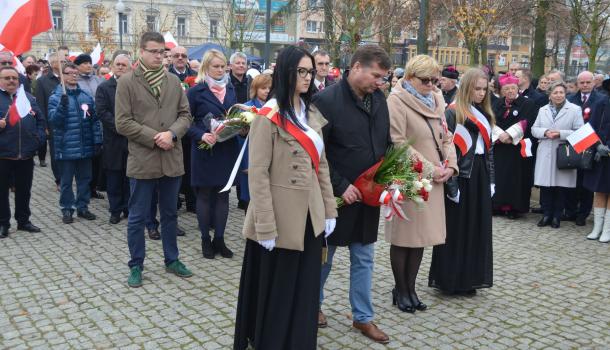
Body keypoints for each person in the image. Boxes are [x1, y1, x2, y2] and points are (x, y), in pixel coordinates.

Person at [233, 45, 337, 350]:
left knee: (305, 289)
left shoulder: (312, 112)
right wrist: (264, 225)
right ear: (286, 74)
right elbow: (258, 173)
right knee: (277, 290)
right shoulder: (269, 115)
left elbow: (323, 166)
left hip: (309, 215)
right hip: (278, 218)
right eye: (301, 71)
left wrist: (329, 210)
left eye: (310, 72)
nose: (307, 78)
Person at [316, 45, 391, 344]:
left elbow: (384, 142)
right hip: (338, 197)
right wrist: (339, 185)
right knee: (324, 258)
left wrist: (391, 178)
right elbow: (317, 152)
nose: (379, 82)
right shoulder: (325, 100)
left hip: (368, 196)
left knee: (365, 258)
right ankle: (312, 306)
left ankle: (363, 317)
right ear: (356, 67)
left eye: (383, 78)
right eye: (376, 75)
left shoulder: (379, 100)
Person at [115, 32, 193, 288]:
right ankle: (136, 264)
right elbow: (122, 122)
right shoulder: (127, 82)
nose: (158, 56)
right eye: (153, 51)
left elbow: (185, 115)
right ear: (141, 51)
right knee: (137, 217)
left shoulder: (173, 82)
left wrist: (171, 133)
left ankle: (172, 259)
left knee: (170, 214)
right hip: (143, 159)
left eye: (162, 52)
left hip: (171, 157)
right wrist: (154, 136)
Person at [385, 54, 457, 315]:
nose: (431, 85)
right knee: (404, 238)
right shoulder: (396, 101)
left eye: (434, 80)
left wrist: (450, 166)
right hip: (408, 177)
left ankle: (411, 288)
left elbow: (446, 136)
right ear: (410, 78)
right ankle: (400, 289)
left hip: (435, 177)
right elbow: (398, 142)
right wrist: (430, 169)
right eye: (425, 81)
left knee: (421, 238)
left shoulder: (437, 98)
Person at [428, 68, 494, 295]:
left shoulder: (485, 115)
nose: (482, 93)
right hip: (461, 176)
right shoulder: (453, 113)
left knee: (476, 228)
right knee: (456, 229)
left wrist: (491, 179)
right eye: (477, 89)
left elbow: (488, 151)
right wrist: (452, 186)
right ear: (466, 88)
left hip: (480, 176)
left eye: (485, 89)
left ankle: (470, 279)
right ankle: (450, 279)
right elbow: (447, 153)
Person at [186, 49, 239, 259]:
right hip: (205, 151)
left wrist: (241, 126)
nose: (219, 70)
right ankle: (205, 240)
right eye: (215, 66)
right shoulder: (195, 91)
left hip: (226, 149)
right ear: (206, 68)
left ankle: (220, 238)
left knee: (224, 195)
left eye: (222, 66)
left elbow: (235, 114)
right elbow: (183, 122)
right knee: (205, 195)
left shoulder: (231, 89)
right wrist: (201, 135)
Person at [47, 63, 102, 224]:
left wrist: (97, 140)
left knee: (85, 179)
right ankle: (67, 209)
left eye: (75, 73)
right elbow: (54, 121)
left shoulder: (85, 96)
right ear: (62, 76)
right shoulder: (56, 97)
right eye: (69, 73)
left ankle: (82, 207)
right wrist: (62, 106)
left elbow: (94, 120)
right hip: (66, 147)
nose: (73, 75)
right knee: (66, 182)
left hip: (85, 146)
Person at [0, 66, 46, 238]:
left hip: (25, 154)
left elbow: (40, 120)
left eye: (14, 78)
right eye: (7, 78)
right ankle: (3, 223)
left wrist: (38, 140)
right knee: (1, 191)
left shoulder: (27, 98)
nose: (11, 80)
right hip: (3, 155)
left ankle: (23, 220)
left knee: (24, 190)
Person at [531, 81, 583, 229]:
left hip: (564, 152)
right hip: (546, 149)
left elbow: (579, 131)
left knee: (560, 187)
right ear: (550, 95)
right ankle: (546, 214)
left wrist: (560, 133)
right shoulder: (543, 110)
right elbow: (534, 129)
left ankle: (557, 216)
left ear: (565, 94)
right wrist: (545, 132)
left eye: (561, 92)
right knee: (546, 187)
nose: (558, 95)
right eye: (555, 93)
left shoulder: (574, 109)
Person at [491, 73, 538, 218]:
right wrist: (500, 135)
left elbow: (526, 121)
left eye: (513, 88)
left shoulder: (528, 103)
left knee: (515, 178)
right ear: (502, 90)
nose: (510, 91)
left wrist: (510, 135)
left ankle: (514, 208)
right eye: (507, 88)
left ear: (517, 88)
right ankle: (497, 205)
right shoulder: (497, 103)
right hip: (500, 147)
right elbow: (490, 120)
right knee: (499, 176)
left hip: (518, 147)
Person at [96, 54, 131, 224]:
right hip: (113, 140)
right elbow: (102, 112)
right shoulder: (104, 88)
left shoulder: (135, 86)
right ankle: (115, 210)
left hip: (132, 140)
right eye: (118, 64)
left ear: (130, 67)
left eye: (124, 65)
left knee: (129, 176)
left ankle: (128, 208)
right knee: (114, 177)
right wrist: (121, 127)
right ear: (112, 67)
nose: (121, 67)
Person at [564, 71, 603, 225]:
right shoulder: (570, 99)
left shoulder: (602, 100)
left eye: (588, 82)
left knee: (586, 182)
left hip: (591, 145)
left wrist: (599, 144)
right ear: (578, 83)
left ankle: (583, 214)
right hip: (573, 144)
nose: (585, 85)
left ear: (593, 83)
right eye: (582, 82)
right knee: (571, 179)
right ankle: (570, 211)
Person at [168, 46, 198, 213]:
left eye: (183, 56)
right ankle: (175, 201)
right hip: (173, 128)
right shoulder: (166, 76)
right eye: (177, 55)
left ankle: (192, 201)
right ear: (171, 58)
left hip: (192, 129)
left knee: (190, 166)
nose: (180, 58)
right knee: (175, 168)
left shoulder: (195, 77)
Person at [238, 73, 272, 212]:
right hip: (252, 161)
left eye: (270, 88)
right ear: (255, 89)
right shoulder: (246, 108)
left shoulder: (275, 107)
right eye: (263, 88)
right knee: (250, 201)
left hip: (270, 159)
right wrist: (245, 164)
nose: (267, 91)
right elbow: (241, 141)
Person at [74, 53, 105, 200]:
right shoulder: (75, 82)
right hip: (83, 123)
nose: (88, 65)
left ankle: (93, 187)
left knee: (98, 157)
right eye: (84, 63)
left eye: (89, 62)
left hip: (99, 122)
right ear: (78, 66)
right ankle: (84, 189)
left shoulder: (98, 80)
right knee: (86, 159)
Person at [584, 78, 610, 242]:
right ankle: (597, 227)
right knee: (599, 190)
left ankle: (607, 229)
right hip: (600, 154)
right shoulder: (602, 103)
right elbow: (591, 127)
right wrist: (597, 145)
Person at [35, 53, 62, 174]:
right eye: (61, 61)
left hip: (69, 122)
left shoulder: (68, 78)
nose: (64, 64)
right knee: (56, 152)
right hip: (53, 124)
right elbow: (40, 105)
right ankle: (59, 179)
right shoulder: (42, 81)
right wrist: (44, 125)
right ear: (52, 64)